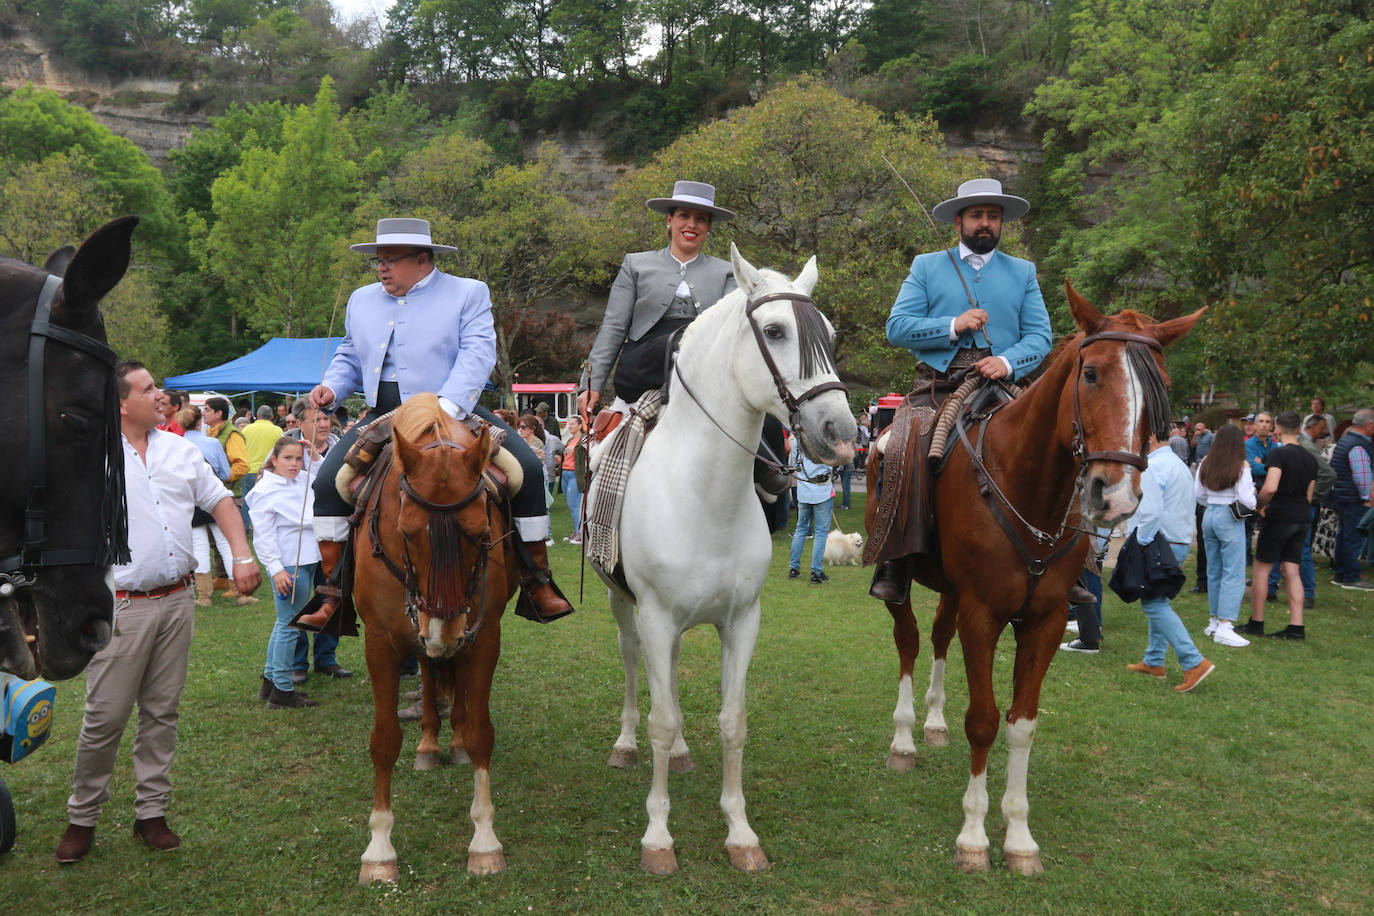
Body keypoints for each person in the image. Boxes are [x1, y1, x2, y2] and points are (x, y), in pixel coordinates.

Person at [305, 218, 571, 626]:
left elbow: (479, 355)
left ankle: (538, 581)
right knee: (327, 484)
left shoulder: (468, 292)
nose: (382, 268)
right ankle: (332, 593)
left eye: (391, 260)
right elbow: (349, 354)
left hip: (453, 410)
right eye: (378, 260)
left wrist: (444, 411)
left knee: (529, 471)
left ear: (423, 260)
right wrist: (332, 388)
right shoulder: (361, 299)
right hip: (383, 414)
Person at [56, 362, 261, 864]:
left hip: (177, 601)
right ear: (121, 403)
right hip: (122, 607)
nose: (161, 394)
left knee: (162, 713)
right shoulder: (90, 457)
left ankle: (151, 814)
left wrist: (241, 554)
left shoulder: (179, 448)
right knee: (105, 718)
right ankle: (83, 817)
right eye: (148, 389)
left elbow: (221, 501)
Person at [869, 177, 1054, 602]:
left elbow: (1041, 337)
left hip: (1002, 383)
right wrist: (952, 325)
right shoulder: (927, 266)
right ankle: (896, 560)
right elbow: (896, 328)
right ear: (959, 222)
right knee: (902, 444)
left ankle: (1072, 564)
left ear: (1001, 222)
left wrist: (1007, 362)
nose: (985, 223)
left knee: (1055, 444)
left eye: (993, 215)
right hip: (937, 385)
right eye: (977, 215)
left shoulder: (1023, 272)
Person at [578, 180, 737, 423]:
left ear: (708, 227)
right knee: (674, 344)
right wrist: (592, 383)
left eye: (701, 219)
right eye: (684, 215)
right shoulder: (636, 264)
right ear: (669, 220)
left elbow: (730, 332)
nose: (692, 224)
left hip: (704, 363)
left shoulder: (728, 272)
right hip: (643, 360)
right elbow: (614, 326)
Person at [1123, 432, 1215, 692]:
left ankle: (1193, 661)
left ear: (1150, 438)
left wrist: (1139, 544)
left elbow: (1150, 512)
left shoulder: (1153, 465)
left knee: (1153, 605)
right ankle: (1154, 661)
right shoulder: (1177, 463)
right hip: (1178, 541)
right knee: (1158, 601)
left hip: (1159, 543)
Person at [247, 437, 322, 708]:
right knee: (290, 625)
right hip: (289, 563)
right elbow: (263, 535)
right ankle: (281, 689)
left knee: (287, 623)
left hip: (308, 559)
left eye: (298, 459)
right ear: (274, 459)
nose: (294, 464)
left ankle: (270, 682)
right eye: (288, 458)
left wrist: (313, 455)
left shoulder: (301, 479)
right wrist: (276, 569)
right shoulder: (266, 489)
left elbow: (321, 476)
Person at [285, 398, 350, 682]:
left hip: (333, 535)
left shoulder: (342, 448)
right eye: (317, 419)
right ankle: (298, 663)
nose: (324, 424)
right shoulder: (286, 449)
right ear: (300, 424)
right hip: (298, 539)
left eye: (326, 419)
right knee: (299, 599)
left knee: (332, 593)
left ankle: (327, 658)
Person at [1242, 412, 1319, 638]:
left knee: (1262, 569)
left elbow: (1270, 487)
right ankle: (1296, 626)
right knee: (1291, 569)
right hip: (1302, 516)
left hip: (1280, 515)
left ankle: (1256, 622)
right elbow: (1309, 494)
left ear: (1278, 428)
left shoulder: (1278, 454)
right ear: (1298, 429)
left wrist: (1258, 506)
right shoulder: (1310, 458)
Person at [1193, 425, 1257, 647]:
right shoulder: (1241, 465)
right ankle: (1225, 624)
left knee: (1214, 570)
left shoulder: (1206, 463)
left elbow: (1198, 495)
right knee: (1233, 571)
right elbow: (1248, 501)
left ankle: (1213, 621)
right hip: (1230, 516)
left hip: (1209, 513)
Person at [1264, 414, 1336, 607]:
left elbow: (1328, 474)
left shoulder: (1306, 448)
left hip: (1299, 506)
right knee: (1280, 549)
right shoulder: (1292, 447)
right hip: (1294, 505)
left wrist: (1311, 498)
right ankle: (1270, 589)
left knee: (1300, 552)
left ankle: (1307, 595)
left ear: (1278, 429)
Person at [179, 406, 233, 608]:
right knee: (225, 544)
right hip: (213, 495)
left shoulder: (177, 444)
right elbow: (226, 473)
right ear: (199, 422)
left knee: (199, 547)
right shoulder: (212, 443)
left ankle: (204, 596)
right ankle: (240, 591)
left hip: (190, 499)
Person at [1327, 407, 1374, 590]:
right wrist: (1367, 498)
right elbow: (1362, 475)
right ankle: (1351, 577)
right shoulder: (1358, 445)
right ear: (1369, 425)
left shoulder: (1346, 440)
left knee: (1344, 536)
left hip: (1342, 495)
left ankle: (1341, 573)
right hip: (1353, 498)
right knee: (1353, 538)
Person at [788, 450, 836, 585]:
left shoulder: (800, 437)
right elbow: (833, 462)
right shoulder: (824, 437)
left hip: (804, 488)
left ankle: (794, 568)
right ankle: (816, 572)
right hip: (822, 489)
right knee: (820, 533)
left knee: (801, 530)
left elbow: (794, 460)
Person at [240, 405, 283, 527]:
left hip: (249, 469)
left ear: (257, 416)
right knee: (267, 501)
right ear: (272, 417)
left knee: (246, 501)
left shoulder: (246, 430)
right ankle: (265, 526)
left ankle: (245, 527)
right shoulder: (278, 431)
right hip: (268, 471)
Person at [561, 416, 585, 544]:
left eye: (572, 424)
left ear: (580, 426)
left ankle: (580, 534)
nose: (569, 426)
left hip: (574, 475)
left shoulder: (583, 440)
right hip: (565, 474)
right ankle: (576, 531)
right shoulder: (569, 440)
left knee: (574, 505)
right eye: (569, 424)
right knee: (572, 505)